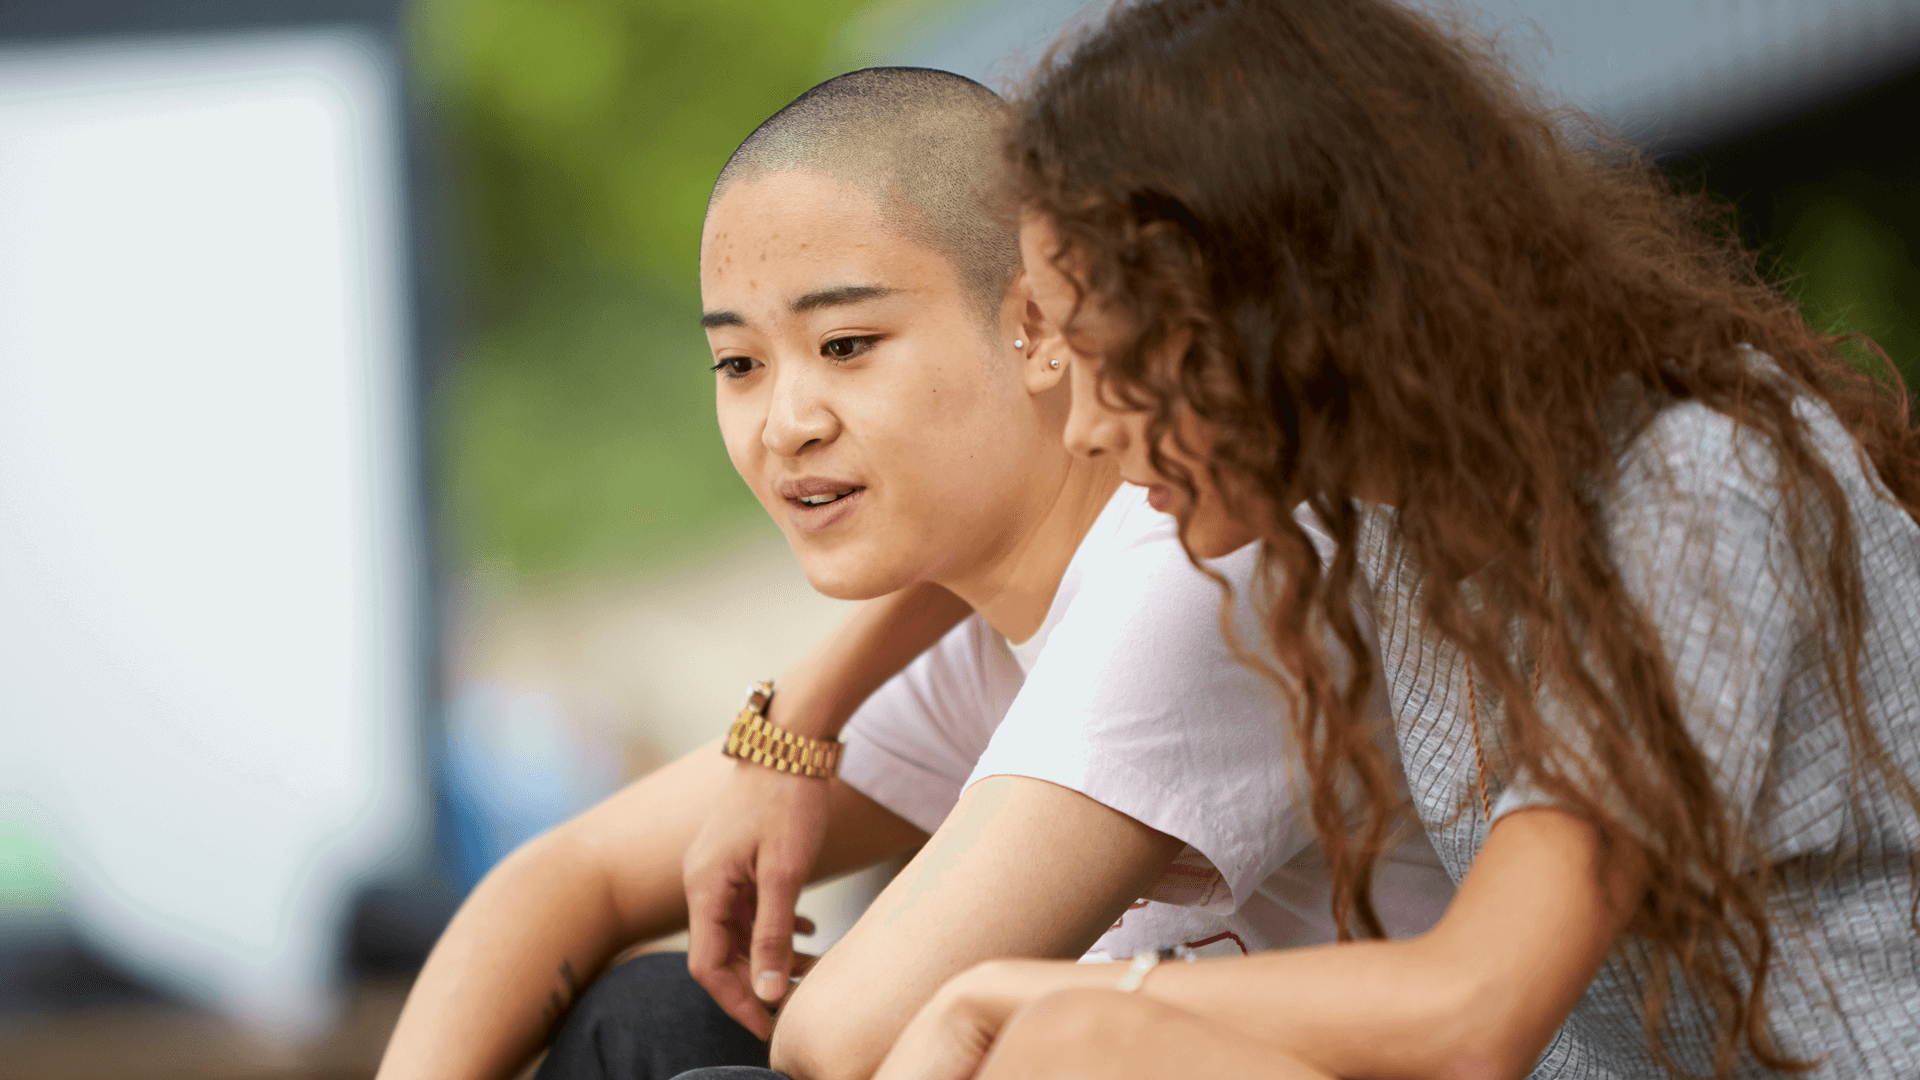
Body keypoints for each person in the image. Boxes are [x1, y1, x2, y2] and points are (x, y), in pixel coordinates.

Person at [872, 1, 1920, 1078]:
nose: (1083, 424)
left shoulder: (1696, 486)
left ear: (1266, 309)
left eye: (1104, 352)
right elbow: (998, 516)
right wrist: (804, 709)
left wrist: (1014, 996)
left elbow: (1478, 1007)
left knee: (1084, 1045)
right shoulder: (1385, 497)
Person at [374, 67, 1453, 1080]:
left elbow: (848, 1035)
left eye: (846, 343)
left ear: (1038, 324)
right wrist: (792, 720)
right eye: (740, 363)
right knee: (650, 1018)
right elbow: (560, 882)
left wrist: (805, 708)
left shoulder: (1193, 566)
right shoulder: (976, 622)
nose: (786, 424)